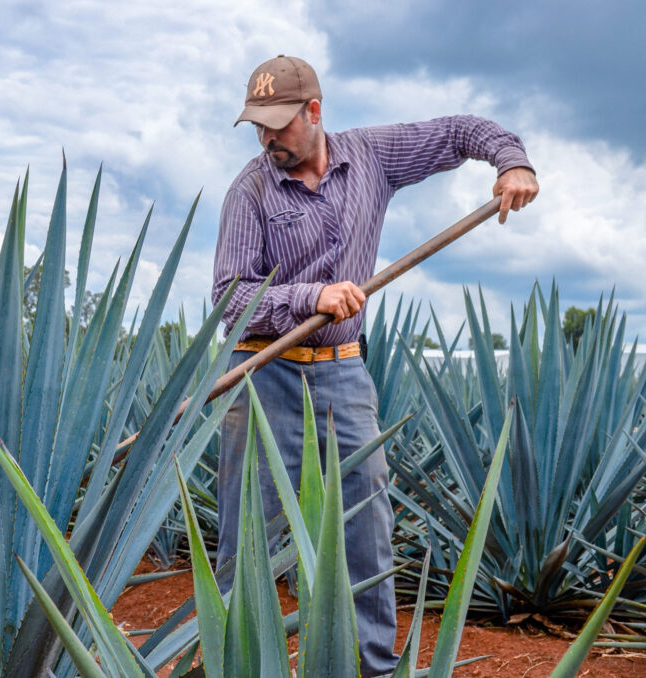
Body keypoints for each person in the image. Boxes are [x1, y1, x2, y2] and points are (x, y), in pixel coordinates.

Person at [212, 55, 538, 676]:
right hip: (263, 372)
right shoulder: (249, 190)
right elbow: (230, 297)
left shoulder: (372, 157)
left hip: (342, 370)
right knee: (250, 530)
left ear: (314, 111)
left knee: (366, 522)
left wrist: (511, 160)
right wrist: (312, 296)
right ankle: (238, 661)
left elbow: (458, 132)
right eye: (258, 125)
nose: (267, 137)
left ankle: (373, 668)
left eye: (279, 123)